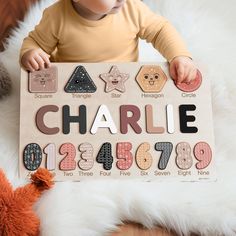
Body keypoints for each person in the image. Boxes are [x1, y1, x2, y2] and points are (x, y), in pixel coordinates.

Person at [20, 0, 198, 84]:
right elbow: (35, 42)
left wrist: (179, 55)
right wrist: (31, 53)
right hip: (74, 84)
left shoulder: (131, 8)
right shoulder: (57, 16)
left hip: (122, 81)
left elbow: (160, 30)